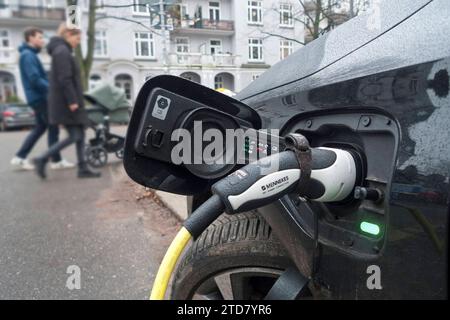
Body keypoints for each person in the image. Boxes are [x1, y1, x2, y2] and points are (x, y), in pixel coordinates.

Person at [33, 23, 100, 179]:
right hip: (67, 104)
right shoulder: (62, 51)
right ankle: (42, 158)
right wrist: (72, 101)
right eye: (77, 38)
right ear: (69, 35)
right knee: (74, 136)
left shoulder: (61, 50)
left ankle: (83, 168)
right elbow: (65, 79)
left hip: (68, 102)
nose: (78, 42)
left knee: (80, 135)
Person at [11, 27, 74, 171]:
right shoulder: (28, 55)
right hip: (40, 98)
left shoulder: (29, 54)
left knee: (41, 128)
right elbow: (34, 79)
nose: (42, 40)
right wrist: (53, 90)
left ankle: (20, 157)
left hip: (36, 98)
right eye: (39, 37)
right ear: (30, 38)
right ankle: (56, 160)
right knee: (53, 127)